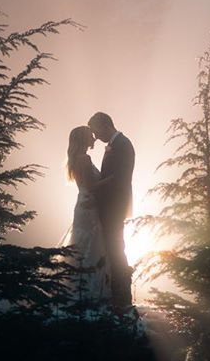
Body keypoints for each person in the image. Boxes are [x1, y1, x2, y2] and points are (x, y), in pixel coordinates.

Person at [87, 111, 135, 310]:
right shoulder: (115, 145)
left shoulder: (123, 145)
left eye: (96, 132)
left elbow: (119, 178)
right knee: (113, 249)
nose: (95, 138)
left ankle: (122, 297)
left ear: (106, 125)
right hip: (110, 206)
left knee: (116, 250)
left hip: (115, 207)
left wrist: (93, 190)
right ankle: (117, 294)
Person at [65, 125, 109, 305]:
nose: (94, 138)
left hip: (83, 205)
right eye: (91, 135)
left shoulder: (76, 159)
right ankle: (92, 293)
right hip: (89, 207)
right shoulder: (84, 158)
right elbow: (91, 186)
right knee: (93, 246)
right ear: (84, 139)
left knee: (84, 246)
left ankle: (81, 291)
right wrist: (113, 179)